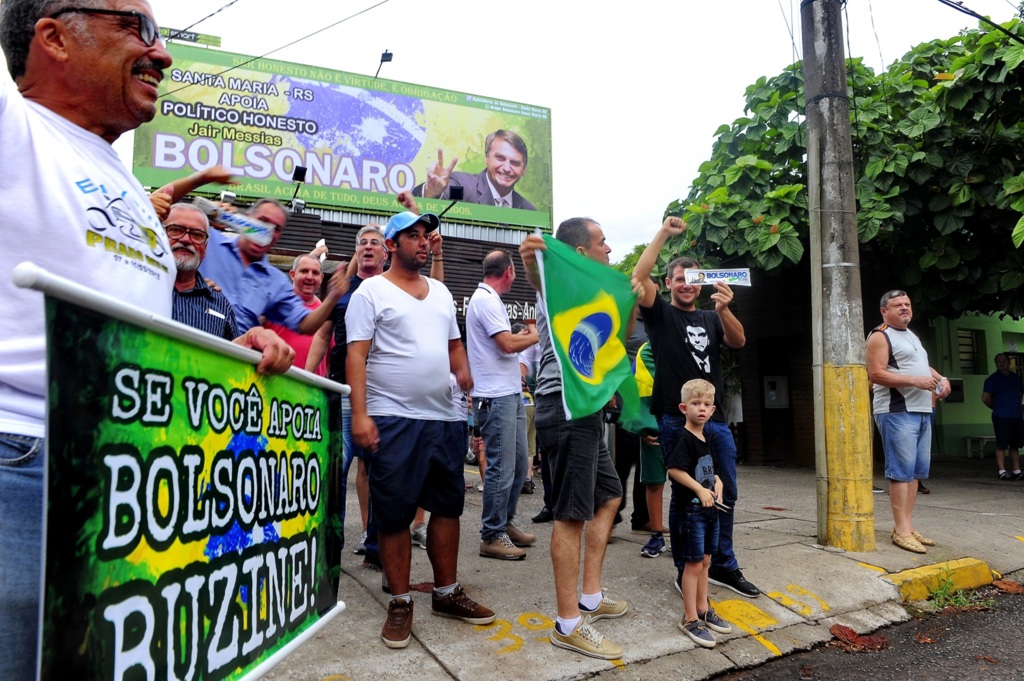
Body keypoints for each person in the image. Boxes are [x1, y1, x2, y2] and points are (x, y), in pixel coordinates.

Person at [0, 3, 292, 678]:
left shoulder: (126, 185)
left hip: (135, 490)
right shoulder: (17, 132)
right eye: (137, 27)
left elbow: (142, 328)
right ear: (54, 37)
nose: (162, 55)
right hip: (27, 468)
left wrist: (235, 350)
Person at [347, 210, 495, 649]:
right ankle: (399, 601)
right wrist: (360, 414)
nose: (423, 242)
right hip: (392, 417)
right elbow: (357, 355)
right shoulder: (370, 291)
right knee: (393, 512)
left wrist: (464, 372)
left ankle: (446, 593)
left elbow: (453, 344)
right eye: (412, 236)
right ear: (392, 244)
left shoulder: (443, 292)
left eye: (426, 236)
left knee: (449, 507)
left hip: (445, 418)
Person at [631, 217, 760, 598]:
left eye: (694, 278)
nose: (688, 284)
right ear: (669, 284)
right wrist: (663, 234)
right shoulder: (662, 314)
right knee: (687, 492)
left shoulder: (710, 315)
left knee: (725, 491)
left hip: (715, 419)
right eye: (680, 279)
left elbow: (738, 341)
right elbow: (639, 278)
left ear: (701, 284)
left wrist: (724, 310)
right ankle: (684, 567)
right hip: (676, 419)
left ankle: (722, 564)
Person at [519, 218, 628, 661]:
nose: (608, 248)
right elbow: (538, 279)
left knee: (609, 495)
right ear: (580, 252)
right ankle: (567, 624)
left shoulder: (590, 293)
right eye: (601, 242)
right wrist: (531, 260)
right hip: (562, 409)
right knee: (569, 515)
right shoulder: (560, 289)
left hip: (585, 411)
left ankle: (590, 597)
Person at [467, 250, 539, 560]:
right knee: (501, 467)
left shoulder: (489, 300)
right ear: (508, 271)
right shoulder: (485, 299)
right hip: (494, 396)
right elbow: (507, 344)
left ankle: (504, 523)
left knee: (519, 464)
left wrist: (520, 336)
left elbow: (505, 344)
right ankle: (491, 534)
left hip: (508, 393)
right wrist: (533, 336)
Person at [866, 290, 950, 554]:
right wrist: (917, 382)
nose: (904, 308)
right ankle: (900, 531)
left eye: (907, 304)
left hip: (922, 409)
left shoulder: (911, 335)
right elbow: (875, 374)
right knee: (901, 473)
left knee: (914, 473)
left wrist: (941, 378)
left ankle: (907, 526)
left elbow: (921, 367)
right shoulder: (881, 335)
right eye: (897, 305)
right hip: (896, 410)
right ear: (884, 311)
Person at [200, 197, 344, 335]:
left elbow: (305, 324)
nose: (267, 231)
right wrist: (204, 211)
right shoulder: (207, 240)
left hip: (234, 355)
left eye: (276, 228)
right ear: (247, 217)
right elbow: (178, 217)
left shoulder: (276, 282)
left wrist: (333, 297)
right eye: (262, 221)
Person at [666, 379, 733, 649]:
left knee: (706, 561)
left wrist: (717, 484)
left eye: (706, 404)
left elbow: (709, 470)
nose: (701, 409)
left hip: (709, 511)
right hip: (691, 512)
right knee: (693, 564)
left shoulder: (706, 438)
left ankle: (704, 608)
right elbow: (675, 469)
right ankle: (690, 617)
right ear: (684, 407)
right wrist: (699, 490)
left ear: (713, 410)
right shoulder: (683, 438)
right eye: (696, 404)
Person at [165, 203, 238, 340]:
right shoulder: (141, 284)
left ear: (205, 247)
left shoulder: (220, 304)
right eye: (175, 230)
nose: (186, 239)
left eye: (197, 235)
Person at [413, 130, 536, 210]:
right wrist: (432, 192)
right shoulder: (462, 184)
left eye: (515, 163)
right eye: (500, 158)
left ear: (523, 169)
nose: (507, 168)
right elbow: (425, 208)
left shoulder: (529, 210)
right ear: (487, 158)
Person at [266, 254, 333, 376]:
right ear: (292, 275)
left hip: (311, 390)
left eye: (315, 273)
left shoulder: (326, 314)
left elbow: (328, 362)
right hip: (274, 385)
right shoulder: (275, 306)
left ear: (322, 278)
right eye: (304, 271)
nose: (310, 277)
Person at [982, 353, 1024, 480]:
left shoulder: (1016, 378)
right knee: (1001, 444)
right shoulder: (992, 379)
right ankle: (1002, 471)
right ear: (996, 364)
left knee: (1015, 445)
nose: (1002, 363)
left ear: (1009, 362)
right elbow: (985, 398)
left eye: (1004, 360)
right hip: (1001, 416)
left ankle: (1016, 470)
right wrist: (996, 408)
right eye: (998, 361)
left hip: (1016, 416)